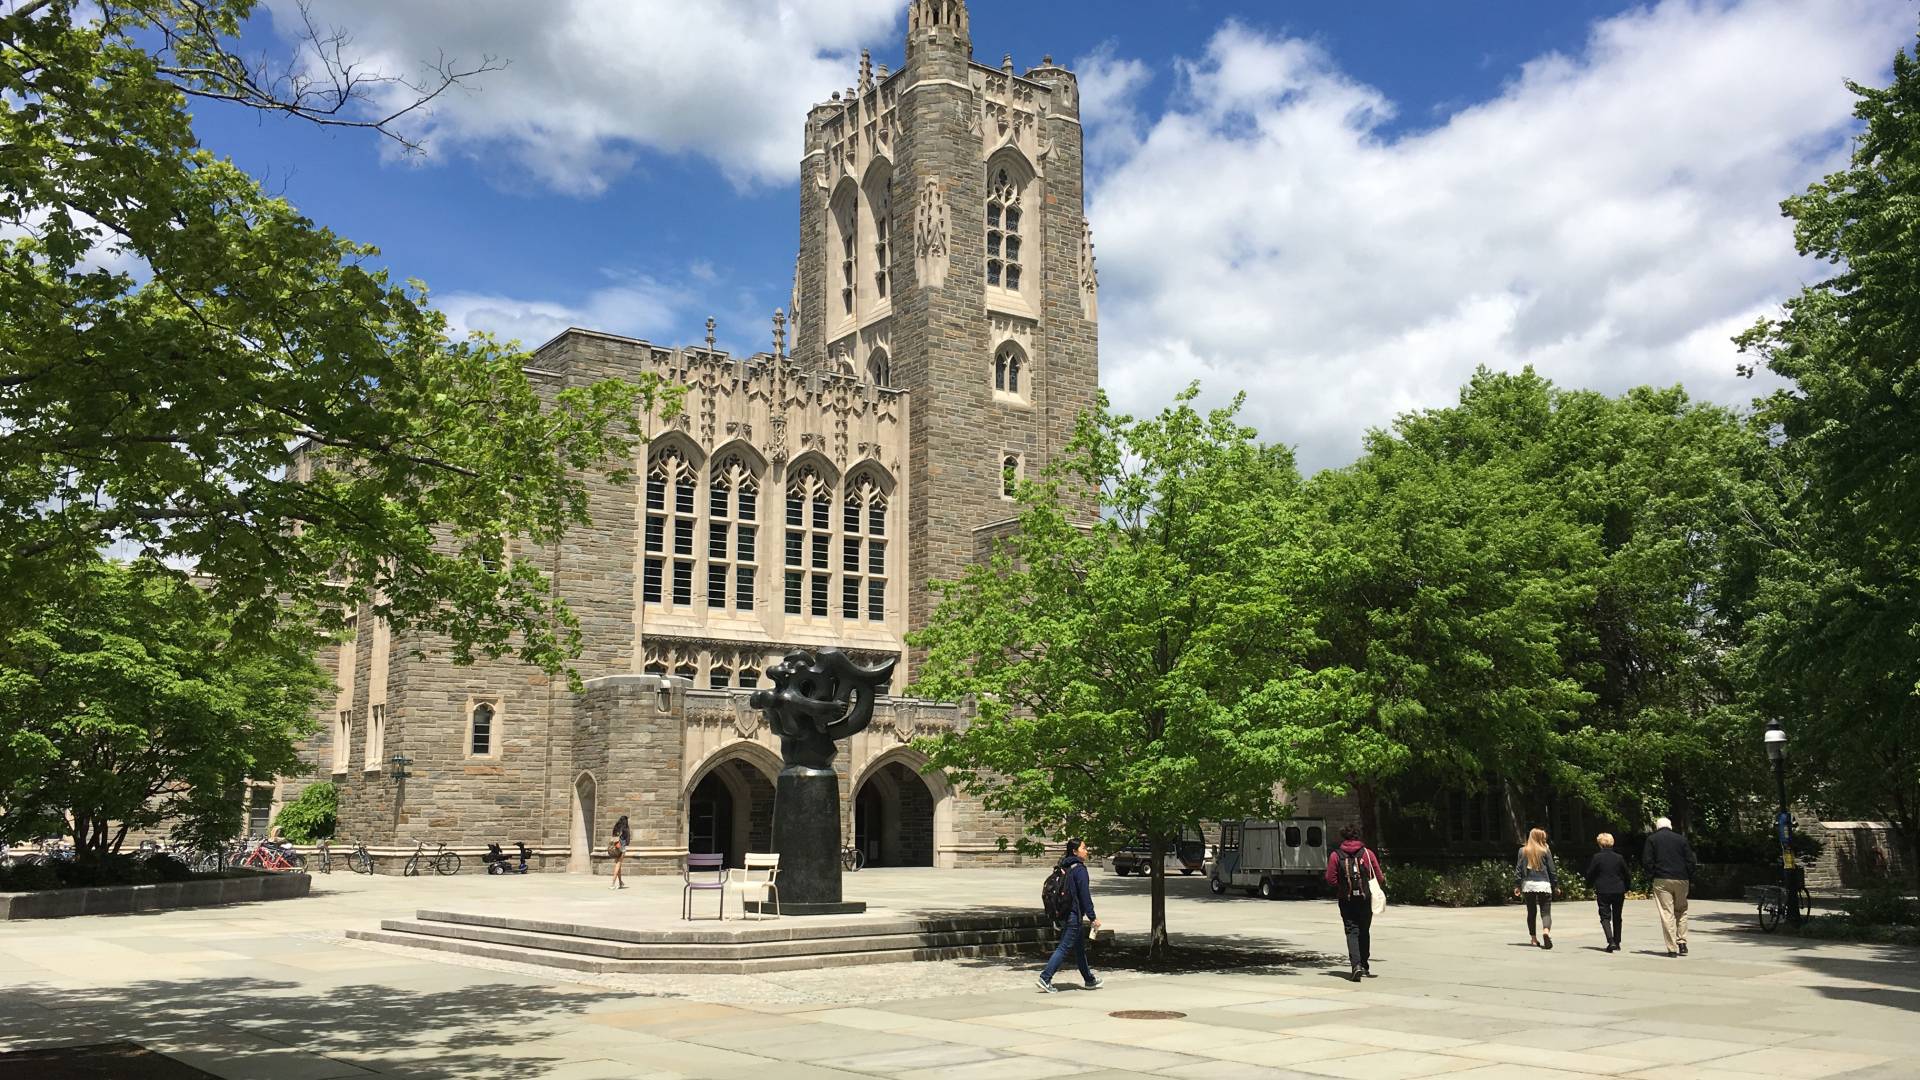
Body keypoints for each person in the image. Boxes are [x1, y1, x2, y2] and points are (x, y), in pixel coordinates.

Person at [1037, 839, 1103, 992]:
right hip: (1074, 914)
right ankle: (1045, 977)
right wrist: (1093, 917)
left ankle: (1089, 980)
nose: (1086, 851)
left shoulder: (1065, 866)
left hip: (1066, 913)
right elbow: (1084, 896)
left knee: (1079, 949)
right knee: (1064, 947)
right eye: (1084, 848)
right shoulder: (1079, 869)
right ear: (1075, 851)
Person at [1324, 824, 1385, 981]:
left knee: (1351, 931)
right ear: (1358, 836)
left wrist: (1342, 886)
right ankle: (1364, 965)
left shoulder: (1335, 855)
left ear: (1343, 837)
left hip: (1346, 899)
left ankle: (1355, 965)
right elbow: (1379, 876)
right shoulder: (1367, 853)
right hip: (1365, 898)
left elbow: (1330, 879)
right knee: (1364, 930)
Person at [1643, 816, 1697, 957]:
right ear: (1670, 826)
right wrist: (1688, 875)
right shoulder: (1681, 839)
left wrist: (1652, 875)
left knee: (1667, 912)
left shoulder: (1652, 839)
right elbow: (1690, 860)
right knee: (1682, 910)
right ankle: (1682, 941)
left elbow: (1647, 861)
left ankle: (1672, 948)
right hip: (1681, 878)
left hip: (1661, 878)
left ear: (1657, 827)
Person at [1583, 832, 1631, 953]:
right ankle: (1617, 941)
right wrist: (1626, 887)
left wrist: (1588, 885)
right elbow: (1626, 874)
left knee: (1605, 916)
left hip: (1603, 889)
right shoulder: (1619, 857)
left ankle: (1611, 940)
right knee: (1617, 916)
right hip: (1618, 889)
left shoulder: (1597, 857)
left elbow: (1591, 873)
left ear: (1600, 844)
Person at [1514, 827, 1559, 949]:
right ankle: (1545, 931)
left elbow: (1518, 869)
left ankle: (1533, 938)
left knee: (1531, 912)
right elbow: (1552, 870)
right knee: (1545, 911)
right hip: (1543, 884)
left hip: (1528, 885)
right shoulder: (1545, 851)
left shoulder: (1522, 851)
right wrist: (1555, 885)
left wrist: (1517, 885)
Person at [608, 815, 631, 890]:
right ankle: (612, 883)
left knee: (619, 865)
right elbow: (627, 840)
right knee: (618, 865)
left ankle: (620, 882)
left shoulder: (616, 827)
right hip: (622, 848)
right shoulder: (625, 828)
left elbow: (613, 837)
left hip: (615, 847)